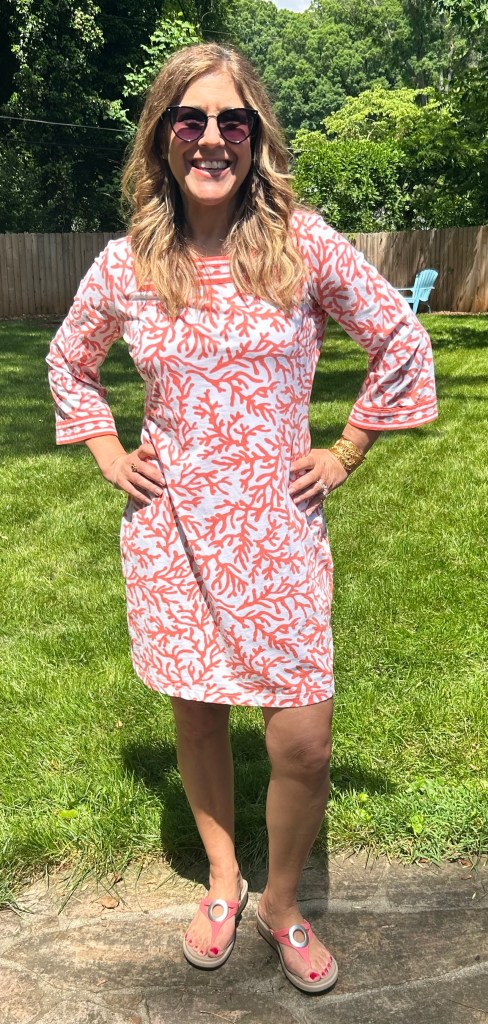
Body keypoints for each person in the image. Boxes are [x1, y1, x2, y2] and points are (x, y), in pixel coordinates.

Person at [47, 43, 438, 994]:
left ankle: (282, 901)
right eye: (191, 119)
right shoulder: (126, 264)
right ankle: (225, 879)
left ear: (257, 137)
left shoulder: (304, 245)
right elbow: (68, 361)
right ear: (163, 138)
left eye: (233, 121)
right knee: (199, 715)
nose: (212, 138)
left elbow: (398, 337)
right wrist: (109, 453)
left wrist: (346, 450)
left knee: (304, 739)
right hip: (174, 534)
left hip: (279, 534)